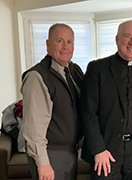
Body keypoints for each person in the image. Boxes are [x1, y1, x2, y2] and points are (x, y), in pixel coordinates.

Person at [80, 20, 132, 180]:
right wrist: (98, 149)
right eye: (128, 36)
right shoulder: (97, 68)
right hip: (106, 148)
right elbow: (88, 112)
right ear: (117, 39)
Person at [21, 23, 84, 180]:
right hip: (51, 154)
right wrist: (43, 163)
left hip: (70, 151)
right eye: (60, 41)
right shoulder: (37, 77)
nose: (65, 47)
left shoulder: (74, 71)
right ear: (48, 44)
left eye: (69, 42)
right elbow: (34, 127)